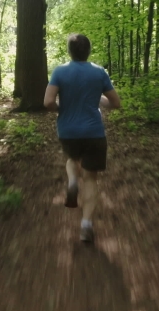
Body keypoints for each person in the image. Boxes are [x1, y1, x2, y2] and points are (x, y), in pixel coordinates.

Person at [43, 33, 121, 243]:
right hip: (94, 133)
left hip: (68, 132)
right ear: (89, 50)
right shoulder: (99, 72)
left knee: (71, 159)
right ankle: (86, 225)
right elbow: (115, 103)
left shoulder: (60, 71)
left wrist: (62, 108)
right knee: (92, 178)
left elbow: (48, 102)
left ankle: (72, 181)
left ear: (70, 51)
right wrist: (99, 100)